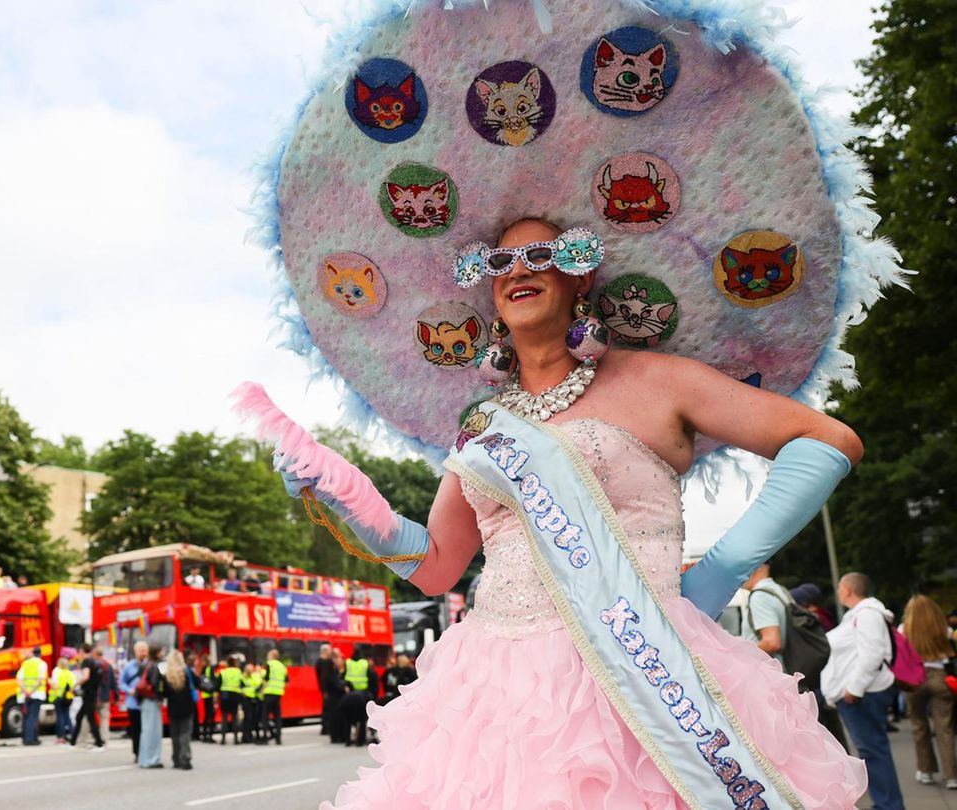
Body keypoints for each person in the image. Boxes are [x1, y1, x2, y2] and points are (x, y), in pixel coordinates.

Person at [277, 216, 868, 806]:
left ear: (580, 279)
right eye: (499, 263)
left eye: (540, 254)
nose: (518, 271)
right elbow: (435, 567)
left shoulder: (657, 380)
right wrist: (346, 495)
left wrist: (723, 568)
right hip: (494, 698)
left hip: (643, 660)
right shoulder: (482, 432)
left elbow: (825, 441)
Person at [821, 572, 904, 810]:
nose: (837, 592)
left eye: (839, 587)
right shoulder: (861, 615)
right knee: (873, 752)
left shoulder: (866, 614)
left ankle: (888, 805)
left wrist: (854, 690)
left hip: (862, 696)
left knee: (874, 753)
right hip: (860, 695)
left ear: (848, 590)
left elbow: (872, 655)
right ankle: (888, 804)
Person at [903, 594, 957, 789]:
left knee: (919, 725)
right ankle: (952, 775)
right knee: (945, 727)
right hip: (939, 676)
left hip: (914, 679)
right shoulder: (943, 628)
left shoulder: (904, 630)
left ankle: (926, 771)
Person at [743, 563, 791, 669]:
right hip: (785, 670)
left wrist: (740, 652)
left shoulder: (760, 596)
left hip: (768, 675)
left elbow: (772, 642)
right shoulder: (780, 590)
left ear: (757, 566)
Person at [160, 648, 198, 770]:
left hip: (173, 707)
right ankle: (185, 758)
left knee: (175, 734)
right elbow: (197, 683)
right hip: (187, 706)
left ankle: (176, 758)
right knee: (185, 733)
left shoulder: (167, 675)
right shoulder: (187, 672)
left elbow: (164, 693)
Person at [69, 644, 105, 750]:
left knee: (90, 719)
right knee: (80, 717)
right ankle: (73, 742)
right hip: (92, 693)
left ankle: (99, 743)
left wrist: (74, 685)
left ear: (81, 650)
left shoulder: (86, 662)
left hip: (88, 694)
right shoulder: (94, 661)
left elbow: (86, 676)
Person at [120, 641, 149, 761]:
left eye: (144, 650)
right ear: (135, 652)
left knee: (147, 729)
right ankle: (137, 753)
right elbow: (121, 683)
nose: (142, 653)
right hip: (133, 703)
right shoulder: (128, 666)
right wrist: (129, 690)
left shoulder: (150, 666)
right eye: (140, 650)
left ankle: (147, 752)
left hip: (147, 703)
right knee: (136, 730)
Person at [136, 646, 164, 768]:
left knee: (145, 730)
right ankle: (152, 759)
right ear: (157, 653)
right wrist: (160, 698)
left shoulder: (144, 665)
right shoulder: (154, 667)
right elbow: (154, 684)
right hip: (152, 700)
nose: (163, 653)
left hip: (143, 700)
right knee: (154, 731)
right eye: (161, 651)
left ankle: (143, 759)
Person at [340, 650, 372, 747]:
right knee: (361, 720)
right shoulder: (365, 663)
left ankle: (347, 741)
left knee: (347, 720)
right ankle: (360, 741)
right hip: (362, 695)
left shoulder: (348, 663)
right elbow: (370, 677)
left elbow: (343, 676)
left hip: (349, 694)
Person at [260, 648, 286, 745]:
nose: (267, 657)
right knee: (277, 717)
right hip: (278, 694)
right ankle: (278, 738)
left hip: (269, 693)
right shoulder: (282, 666)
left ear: (272, 656)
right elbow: (286, 680)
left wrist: (262, 689)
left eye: (268, 655)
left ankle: (265, 737)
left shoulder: (269, 664)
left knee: (265, 716)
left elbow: (266, 678)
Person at [216, 654, 243, 745]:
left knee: (224, 717)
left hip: (225, 696)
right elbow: (242, 683)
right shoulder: (238, 671)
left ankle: (223, 739)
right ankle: (236, 739)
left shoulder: (223, 672)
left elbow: (217, 686)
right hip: (235, 696)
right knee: (235, 717)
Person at [324, 649, 348, 745]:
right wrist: (343, 687)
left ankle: (339, 736)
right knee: (335, 718)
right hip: (334, 698)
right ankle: (336, 736)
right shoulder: (331, 672)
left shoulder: (335, 672)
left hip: (335, 698)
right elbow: (335, 683)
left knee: (337, 718)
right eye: (337, 658)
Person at [50, 655, 75, 744]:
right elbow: (73, 686)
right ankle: (73, 734)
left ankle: (61, 737)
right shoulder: (70, 673)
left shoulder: (56, 671)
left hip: (58, 697)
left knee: (60, 716)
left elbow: (55, 685)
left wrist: (49, 681)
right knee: (67, 716)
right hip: (68, 698)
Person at [314, 643, 335, 738]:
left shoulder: (319, 662)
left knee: (326, 708)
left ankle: (325, 727)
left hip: (325, 689)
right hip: (327, 689)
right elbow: (323, 677)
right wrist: (325, 690)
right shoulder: (325, 662)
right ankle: (326, 728)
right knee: (327, 709)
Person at [195, 653, 216, 743]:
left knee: (207, 715)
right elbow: (213, 681)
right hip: (210, 694)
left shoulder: (203, 669)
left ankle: (204, 735)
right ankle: (209, 736)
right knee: (210, 715)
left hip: (205, 694)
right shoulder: (210, 669)